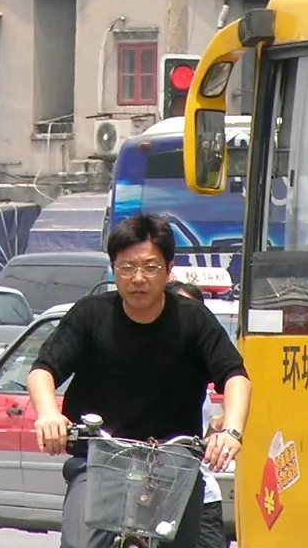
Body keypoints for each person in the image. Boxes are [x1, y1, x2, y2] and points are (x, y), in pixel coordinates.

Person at [28, 215, 251, 548]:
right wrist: (48, 414)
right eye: (127, 268)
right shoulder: (90, 314)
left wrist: (232, 430)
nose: (138, 278)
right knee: (81, 543)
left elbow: (235, 376)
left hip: (173, 467)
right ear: (113, 269)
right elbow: (43, 370)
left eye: (150, 267)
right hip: (99, 461)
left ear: (169, 269)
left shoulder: (192, 320)